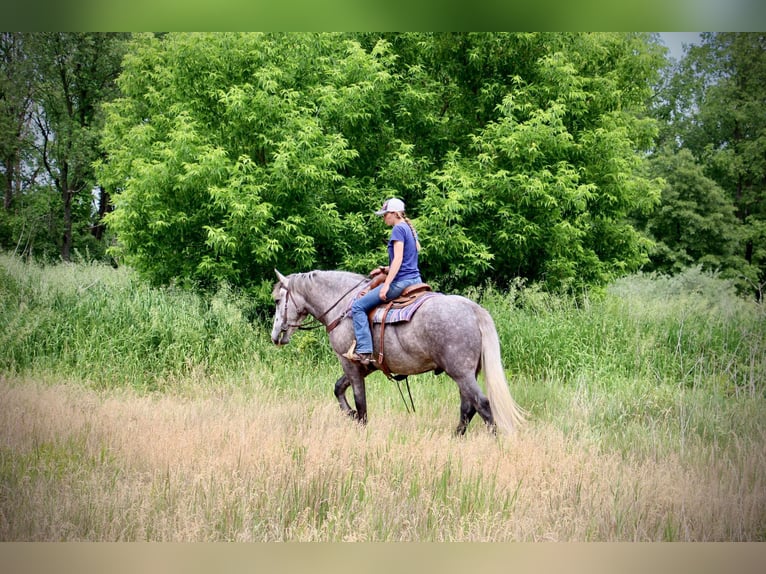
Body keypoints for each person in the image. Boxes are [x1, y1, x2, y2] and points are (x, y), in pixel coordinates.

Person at [345, 197, 422, 365]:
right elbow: (407, 261)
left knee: (358, 306)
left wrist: (386, 285)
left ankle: (364, 351)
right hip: (415, 279)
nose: (383, 218)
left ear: (394, 214)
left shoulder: (398, 230)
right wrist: (384, 270)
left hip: (402, 282)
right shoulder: (408, 228)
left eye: (385, 214)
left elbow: (399, 259)